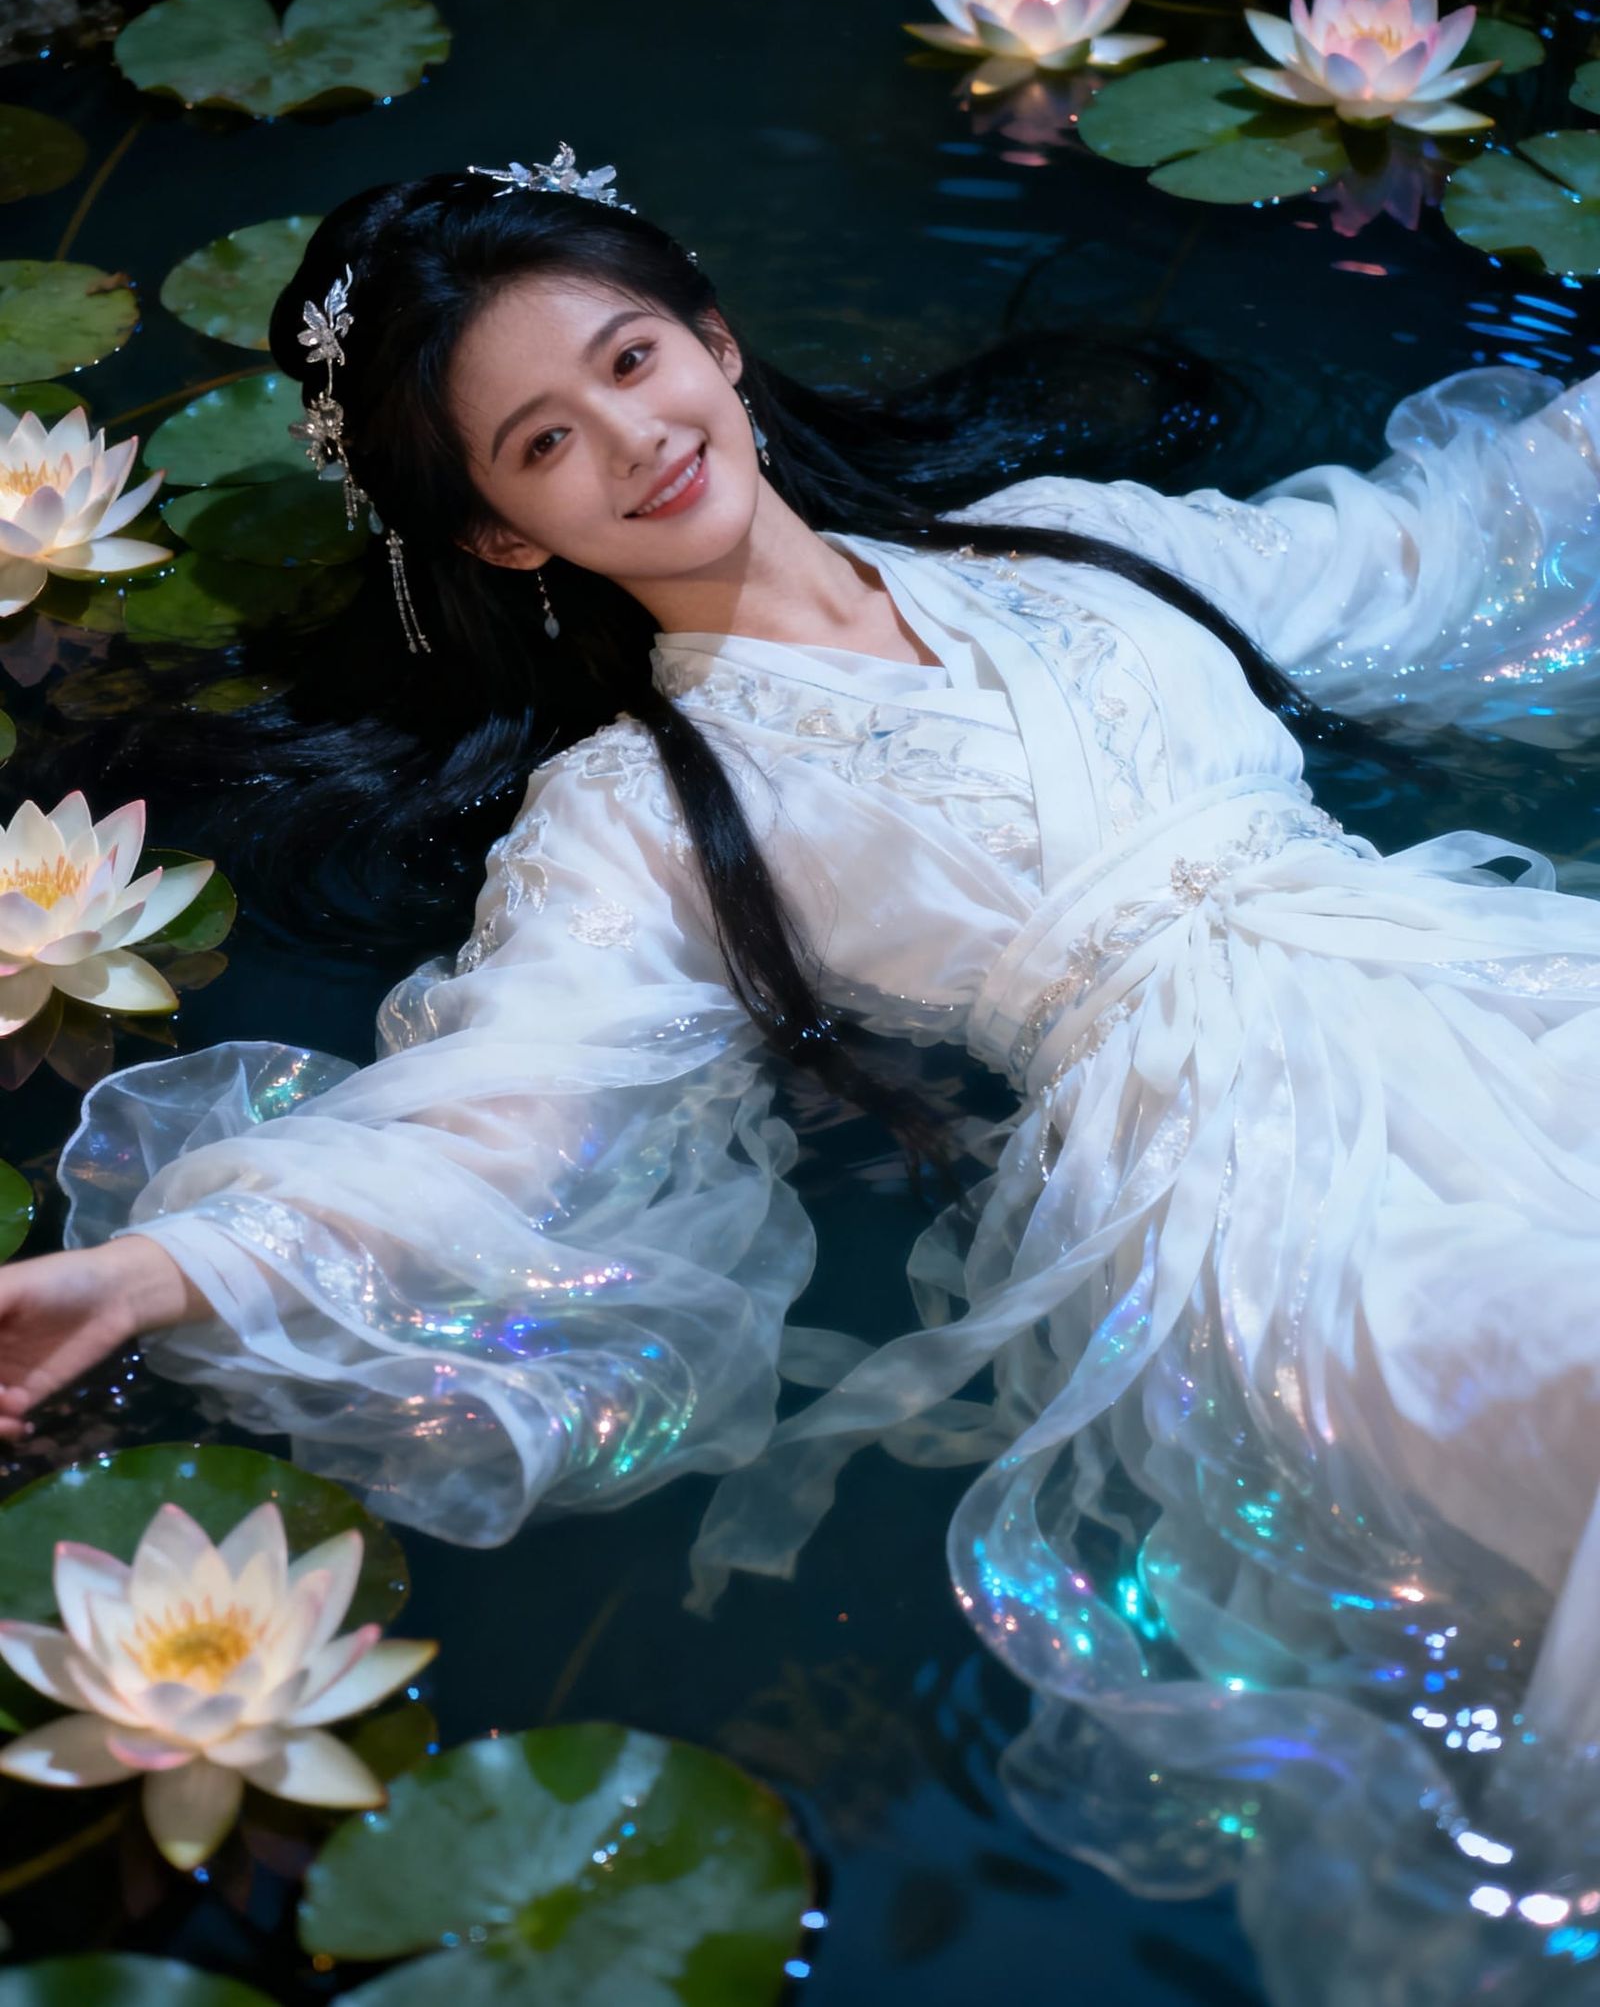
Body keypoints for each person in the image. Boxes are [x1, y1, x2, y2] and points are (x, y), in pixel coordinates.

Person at [3, 148, 1600, 1990]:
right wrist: (160, 1269)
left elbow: (1419, 552)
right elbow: (512, 1101)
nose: (632, 437)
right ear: (507, 538)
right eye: (542, 443)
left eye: (630, 359)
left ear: (715, 338)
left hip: (1505, 995)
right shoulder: (634, 812)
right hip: (1253, 1193)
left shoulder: (1063, 534)